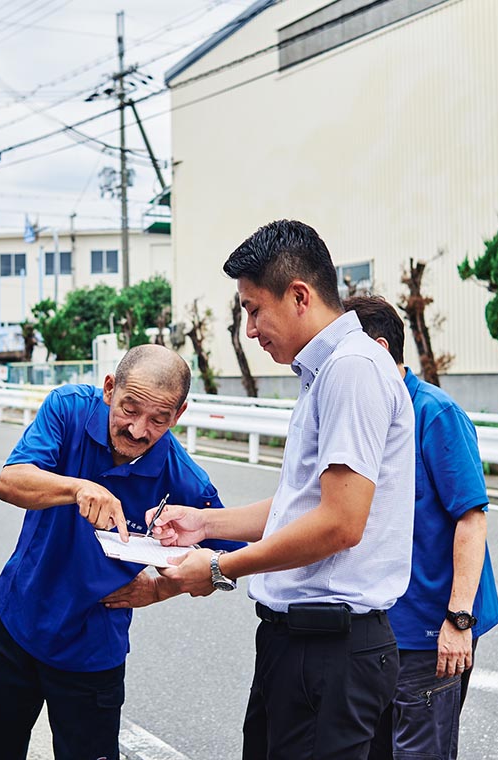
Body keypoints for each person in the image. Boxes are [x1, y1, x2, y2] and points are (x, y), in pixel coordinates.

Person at [153, 220, 416, 760]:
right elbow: (308, 505)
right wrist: (206, 525)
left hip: (330, 650)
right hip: (304, 645)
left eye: (253, 309)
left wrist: (221, 568)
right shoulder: (325, 373)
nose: (249, 330)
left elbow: (341, 522)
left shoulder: (351, 369)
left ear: (299, 295)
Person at [0, 344, 241, 760]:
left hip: (93, 652)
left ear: (179, 415)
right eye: (129, 409)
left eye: (158, 419)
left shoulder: (183, 478)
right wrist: (77, 487)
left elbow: (231, 558)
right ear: (110, 388)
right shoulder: (69, 409)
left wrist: (160, 590)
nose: (138, 429)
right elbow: (10, 482)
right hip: (17, 621)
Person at [343, 295, 498, 760]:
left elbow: (471, 518)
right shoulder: (363, 415)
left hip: (431, 634)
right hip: (375, 629)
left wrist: (457, 622)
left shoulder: (434, 413)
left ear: (377, 348)